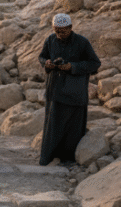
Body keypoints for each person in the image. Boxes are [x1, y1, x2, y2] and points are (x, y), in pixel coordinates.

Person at [38, 14, 101, 166]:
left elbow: (94, 63)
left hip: (75, 92)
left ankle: (69, 159)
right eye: (57, 31)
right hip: (55, 90)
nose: (59, 34)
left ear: (71, 28)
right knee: (53, 126)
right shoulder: (50, 40)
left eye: (63, 31)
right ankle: (49, 157)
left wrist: (72, 67)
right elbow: (42, 57)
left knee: (73, 128)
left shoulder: (82, 42)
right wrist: (46, 63)